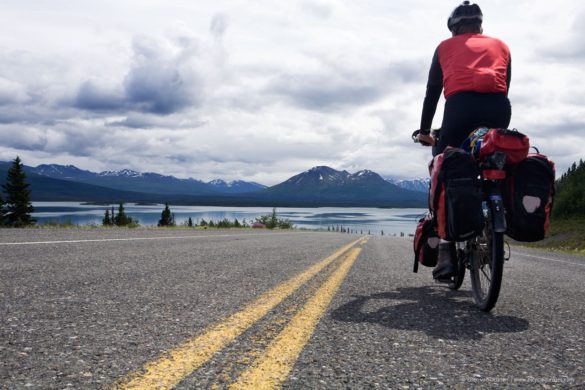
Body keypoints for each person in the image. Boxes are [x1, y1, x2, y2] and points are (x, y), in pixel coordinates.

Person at [415, 1, 512, 280]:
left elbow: (432, 94)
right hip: (499, 109)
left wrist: (424, 131)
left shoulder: (444, 47)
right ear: (480, 26)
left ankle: (446, 249)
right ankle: (495, 207)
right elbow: (505, 86)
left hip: (459, 109)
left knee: (445, 165)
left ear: (453, 28)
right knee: (491, 153)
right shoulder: (501, 45)